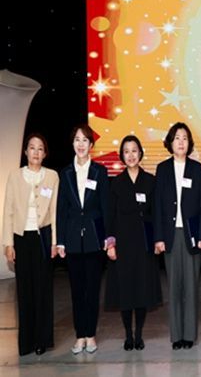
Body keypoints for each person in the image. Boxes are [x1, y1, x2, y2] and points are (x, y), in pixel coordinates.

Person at [2, 133, 59, 356]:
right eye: (32, 147)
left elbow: (54, 212)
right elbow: (8, 211)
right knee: (24, 290)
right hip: (21, 238)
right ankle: (26, 342)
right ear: (25, 151)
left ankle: (42, 340)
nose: (36, 152)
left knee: (43, 289)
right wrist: (8, 243)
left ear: (45, 153)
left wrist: (55, 242)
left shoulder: (52, 176)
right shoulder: (15, 176)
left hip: (43, 237)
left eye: (40, 148)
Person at [56, 124, 110, 354]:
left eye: (85, 140)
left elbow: (106, 206)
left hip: (94, 239)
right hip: (72, 240)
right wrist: (60, 241)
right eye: (77, 139)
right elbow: (61, 209)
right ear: (73, 144)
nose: (80, 144)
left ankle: (91, 334)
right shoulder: (65, 173)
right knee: (77, 291)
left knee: (92, 290)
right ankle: (80, 335)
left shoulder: (100, 171)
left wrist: (108, 236)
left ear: (91, 145)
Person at [105, 135, 162, 351]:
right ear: (122, 155)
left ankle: (139, 335)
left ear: (140, 153)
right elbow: (110, 217)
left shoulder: (150, 181)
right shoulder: (116, 183)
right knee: (126, 291)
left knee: (142, 290)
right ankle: (128, 335)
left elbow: (156, 214)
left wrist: (157, 240)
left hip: (144, 244)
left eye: (134, 150)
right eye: (126, 151)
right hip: (123, 245)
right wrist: (111, 244)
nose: (131, 155)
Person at [154, 122, 201, 350]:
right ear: (170, 142)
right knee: (174, 287)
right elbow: (157, 206)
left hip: (192, 236)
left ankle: (189, 335)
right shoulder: (162, 169)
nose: (181, 142)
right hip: (170, 236)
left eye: (185, 138)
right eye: (177, 138)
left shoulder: (197, 169)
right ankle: (176, 335)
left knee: (191, 288)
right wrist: (158, 238)